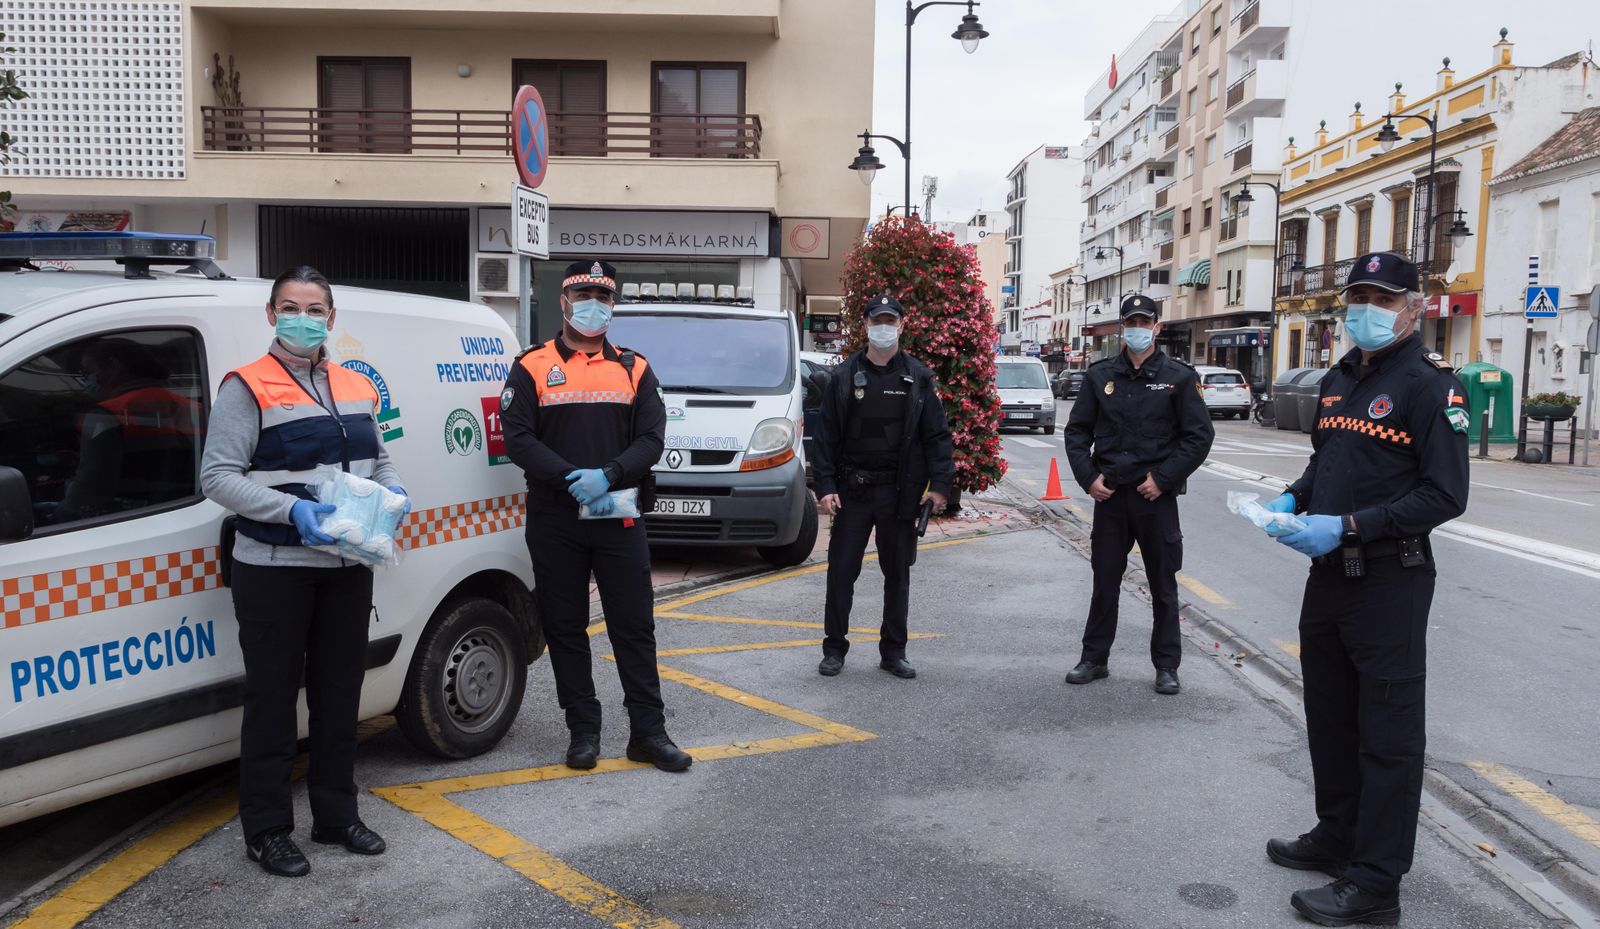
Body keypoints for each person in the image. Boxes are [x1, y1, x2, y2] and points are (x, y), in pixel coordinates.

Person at [1263, 251, 1469, 926]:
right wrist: (1293, 500)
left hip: (1391, 579)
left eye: (1382, 298)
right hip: (1329, 578)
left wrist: (1350, 524)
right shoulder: (1339, 376)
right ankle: (1339, 836)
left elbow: (1445, 493)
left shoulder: (1431, 386)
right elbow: (1327, 458)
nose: (1367, 309)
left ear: (1415, 307)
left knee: (1387, 735)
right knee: (1330, 716)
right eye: (1358, 296)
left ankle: (1377, 884)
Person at [200, 266, 406, 877]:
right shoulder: (248, 385)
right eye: (290, 306)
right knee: (271, 700)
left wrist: (393, 497)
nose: (303, 317)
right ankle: (266, 830)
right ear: (271, 314)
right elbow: (217, 477)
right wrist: (294, 510)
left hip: (347, 564)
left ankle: (336, 816)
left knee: (341, 694)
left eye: (315, 309)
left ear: (331, 320)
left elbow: (379, 456)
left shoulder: (353, 384)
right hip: (274, 566)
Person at [500, 260, 691, 773]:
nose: (593, 305)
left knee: (634, 625)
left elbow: (652, 439)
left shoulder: (634, 368)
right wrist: (570, 477)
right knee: (565, 626)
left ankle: (648, 733)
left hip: (618, 515)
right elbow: (518, 437)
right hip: (555, 518)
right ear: (563, 301)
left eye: (604, 297)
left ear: (613, 305)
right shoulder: (532, 365)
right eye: (583, 295)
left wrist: (607, 475)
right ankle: (583, 730)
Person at [1061, 293, 1213, 695]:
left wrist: (1164, 478)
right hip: (1110, 496)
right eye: (1132, 322)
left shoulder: (1179, 377)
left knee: (1163, 585)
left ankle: (1167, 667)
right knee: (1104, 582)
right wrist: (1087, 477)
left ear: (1157, 328)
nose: (1138, 329)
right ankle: (1094, 659)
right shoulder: (1099, 376)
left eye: (1146, 323)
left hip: (1154, 499)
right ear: (1122, 329)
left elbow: (1198, 437)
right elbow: (1077, 432)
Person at [813, 294, 954, 680]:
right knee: (841, 572)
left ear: (902, 326)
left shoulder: (919, 378)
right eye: (878, 320)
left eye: (891, 321)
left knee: (898, 574)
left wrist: (940, 486)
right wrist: (825, 486)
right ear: (865, 325)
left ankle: (894, 651)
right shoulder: (843, 377)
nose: (884, 327)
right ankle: (834, 649)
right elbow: (823, 437)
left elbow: (937, 437)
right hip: (852, 492)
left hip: (898, 494)